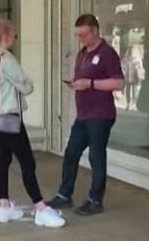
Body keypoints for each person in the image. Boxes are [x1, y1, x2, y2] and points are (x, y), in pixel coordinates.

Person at [0, 17, 65, 228]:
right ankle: (40, 208)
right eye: (14, 35)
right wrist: (24, 84)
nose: (15, 38)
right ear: (5, 35)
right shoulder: (6, 59)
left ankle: (4, 207)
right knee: (28, 162)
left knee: (4, 161)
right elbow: (27, 86)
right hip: (10, 117)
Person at [46, 14, 125, 216]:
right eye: (78, 35)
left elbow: (118, 83)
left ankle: (95, 200)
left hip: (100, 114)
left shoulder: (107, 53)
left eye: (83, 34)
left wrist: (90, 83)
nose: (80, 39)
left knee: (96, 156)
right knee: (71, 153)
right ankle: (64, 195)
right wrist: (76, 84)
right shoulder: (82, 54)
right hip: (83, 115)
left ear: (95, 31)